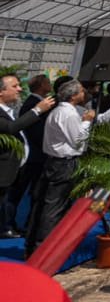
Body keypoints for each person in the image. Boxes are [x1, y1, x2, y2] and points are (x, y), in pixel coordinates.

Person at [25, 80, 96, 258]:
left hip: (55, 161)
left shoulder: (58, 111)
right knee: (54, 207)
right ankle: (43, 250)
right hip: (63, 163)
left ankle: (34, 246)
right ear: (73, 96)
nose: (83, 94)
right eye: (81, 91)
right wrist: (86, 123)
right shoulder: (68, 114)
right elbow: (78, 143)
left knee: (45, 204)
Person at [0, 76, 55, 238]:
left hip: (15, 167)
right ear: (1, 92)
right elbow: (10, 128)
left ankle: (7, 225)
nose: (20, 89)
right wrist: (37, 110)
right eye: (14, 86)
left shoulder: (9, 109)